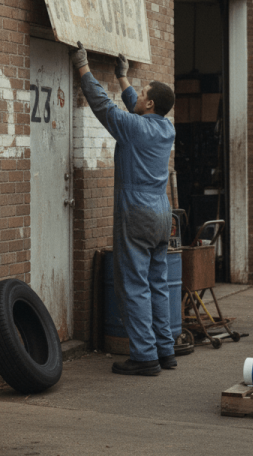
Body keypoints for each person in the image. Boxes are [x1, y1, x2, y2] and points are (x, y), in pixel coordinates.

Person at [71, 41, 176, 376]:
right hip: (162, 211)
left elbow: (105, 108)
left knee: (133, 284)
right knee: (157, 282)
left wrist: (83, 68)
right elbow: (134, 106)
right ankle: (165, 350)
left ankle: (144, 357)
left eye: (142, 92)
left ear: (150, 104)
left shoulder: (132, 129)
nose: (138, 95)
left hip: (137, 210)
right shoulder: (165, 127)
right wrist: (123, 78)